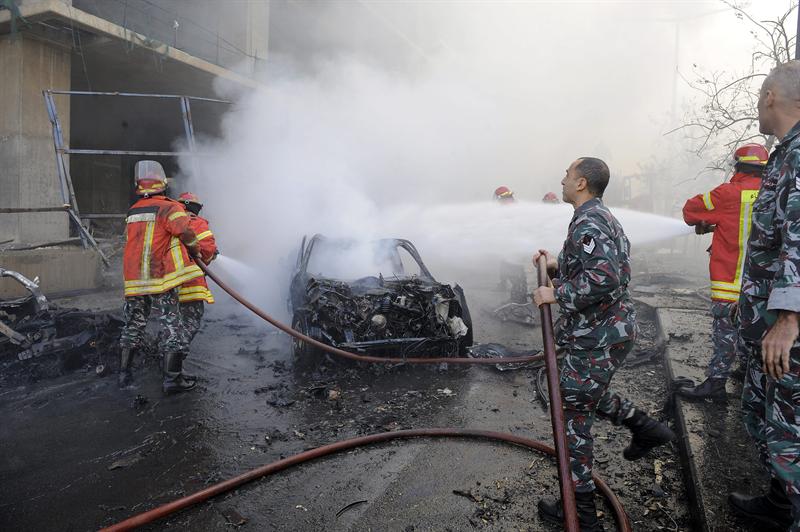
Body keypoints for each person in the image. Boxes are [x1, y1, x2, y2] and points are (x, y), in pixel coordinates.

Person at [532, 157, 675, 530]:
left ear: (581, 183)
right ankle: (645, 427)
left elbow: (605, 276)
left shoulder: (589, 220)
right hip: (609, 332)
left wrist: (556, 294)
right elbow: (606, 265)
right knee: (581, 395)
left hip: (597, 335)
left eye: (567, 175)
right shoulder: (601, 216)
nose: (562, 179)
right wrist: (557, 268)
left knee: (572, 416)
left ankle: (581, 513)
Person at [727, 61, 800, 530]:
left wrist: (789, 319)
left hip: (788, 331)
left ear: (772, 95)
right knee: (773, 421)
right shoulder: (784, 155)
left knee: (792, 431)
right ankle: (779, 503)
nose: (756, 103)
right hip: (767, 322)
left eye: (758, 94)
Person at [678, 144, 767, 400]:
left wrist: (710, 221)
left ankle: (716, 383)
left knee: (725, 332)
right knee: (757, 330)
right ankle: (749, 377)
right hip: (762, 285)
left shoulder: (728, 193)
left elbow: (690, 210)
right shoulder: (777, 193)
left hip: (730, 279)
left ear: (738, 166)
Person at [118, 161, 202, 394]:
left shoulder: (133, 210)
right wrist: (195, 251)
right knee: (172, 325)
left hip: (135, 279)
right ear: (163, 185)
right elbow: (185, 232)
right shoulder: (170, 207)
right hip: (160, 277)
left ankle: (124, 377)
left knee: (133, 324)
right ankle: (172, 380)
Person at [175, 192, 218, 379]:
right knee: (189, 323)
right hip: (190, 284)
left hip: (166, 284)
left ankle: (166, 359)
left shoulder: (169, 222)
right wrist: (213, 255)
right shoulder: (198, 223)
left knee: (171, 324)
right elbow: (207, 251)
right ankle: (174, 367)